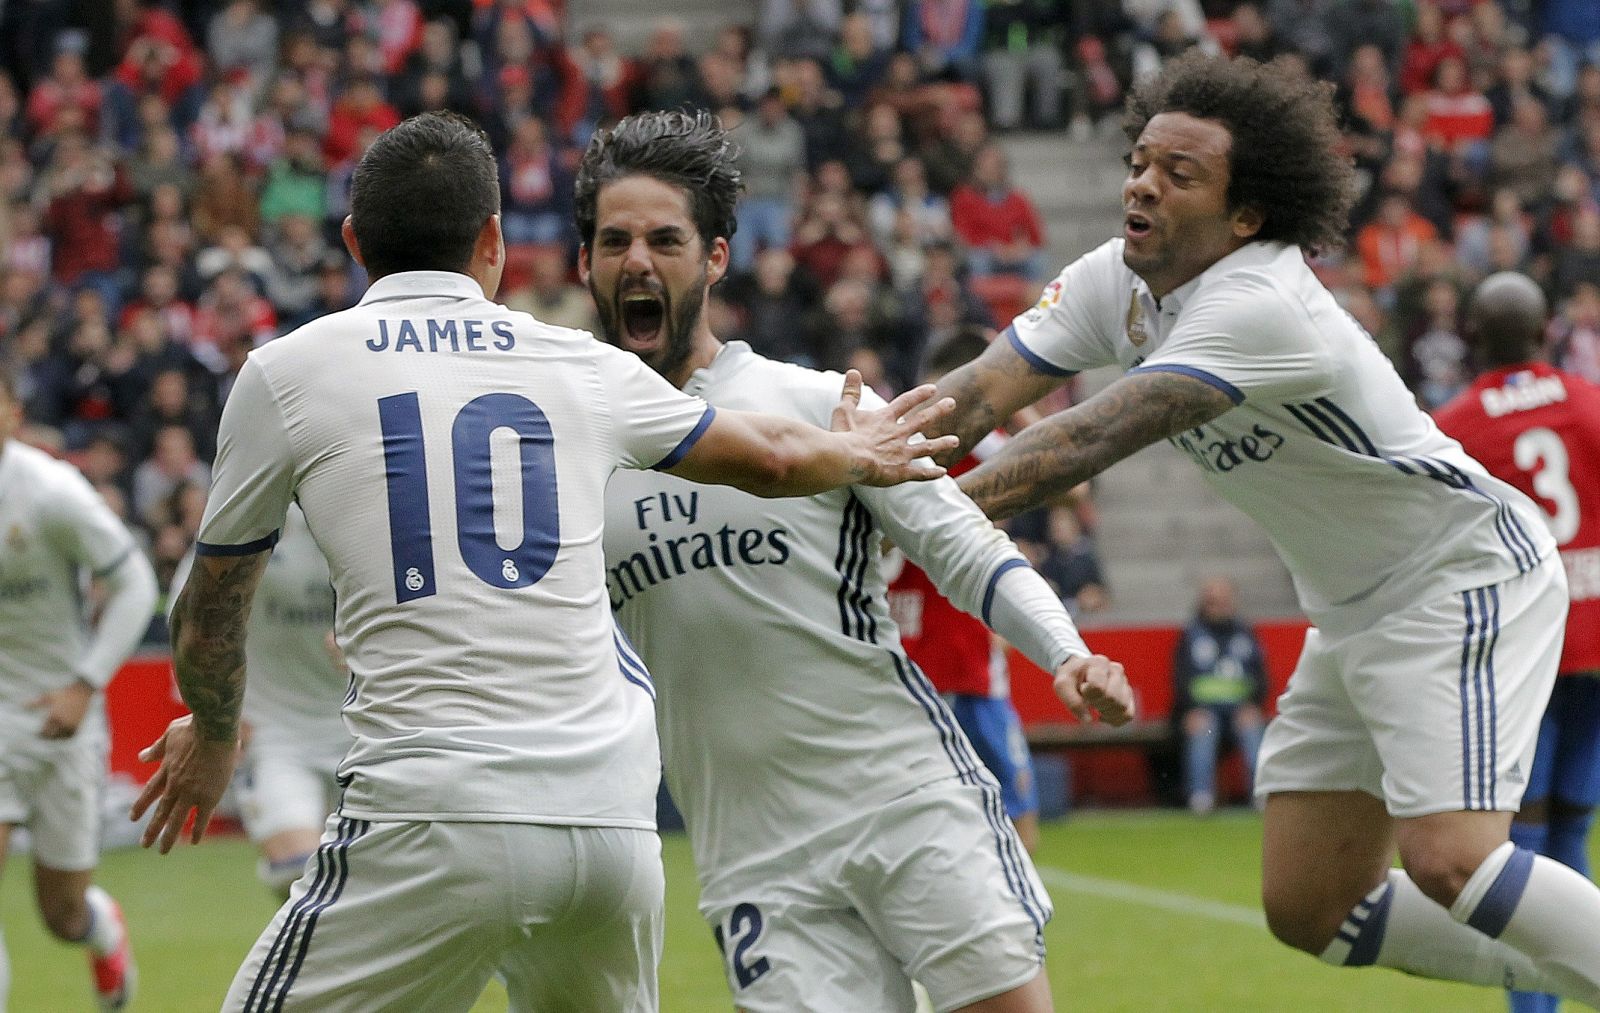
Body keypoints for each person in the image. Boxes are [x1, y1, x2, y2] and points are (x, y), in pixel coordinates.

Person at [127, 111, 958, 1013]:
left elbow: (210, 603)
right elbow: (770, 458)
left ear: (354, 242)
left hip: (432, 813)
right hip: (607, 826)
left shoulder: (287, 372)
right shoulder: (578, 363)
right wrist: (860, 453)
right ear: (494, 241)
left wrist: (213, 735)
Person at [923, 52, 1600, 1004]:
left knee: (1455, 859)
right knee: (1314, 905)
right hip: (1354, 608)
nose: (1144, 183)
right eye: (1142, 161)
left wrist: (904, 518)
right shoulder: (1110, 278)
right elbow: (979, 391)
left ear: (1246, 217)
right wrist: (850, 459)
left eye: (1180, 174)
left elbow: (1091, 435)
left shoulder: (1262, 302)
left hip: (1462, 578)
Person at [581, 109, 1133, 1013]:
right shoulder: (581, 454)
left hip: (904, 797)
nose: (637, 259)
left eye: (664, 238)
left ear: (716, 258)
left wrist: (1066, 651)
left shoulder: (815, 403)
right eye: (614, 240)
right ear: (585, 264)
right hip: (752, 856)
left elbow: (958, 539)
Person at [1433, 272, 1600, 1013]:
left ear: (1472, 338)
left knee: (1517, 846)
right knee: (1572, 823)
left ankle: (1535, 1008)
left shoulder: (1457, 426)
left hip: (1522, 650)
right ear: (1546, 333)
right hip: (1596, 641)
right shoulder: (1592, 402)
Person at [0, 364, 155, 1012]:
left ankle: (100, 929)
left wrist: (84, 685)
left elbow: (136, 585)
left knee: (61, 914)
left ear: (12, 413)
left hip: (59, 719)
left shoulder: (48, 491)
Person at [887, 328, 1047, 854]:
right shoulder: (900, 445)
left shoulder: (952, 446)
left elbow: (1068, 487)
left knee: (1007, 812)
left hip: (950, 662)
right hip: (928, 663)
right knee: (947, 823)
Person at [167, 504, 348, 899]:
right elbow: (189, 614)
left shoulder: (365, 515)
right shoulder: (252, 513)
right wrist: (215, 713)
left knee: (369, 884)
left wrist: (372, 637)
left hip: (365, 728)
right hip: (274, 732)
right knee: (299, 880)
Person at [1172, 575, 1268, 815]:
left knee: (1252, 729)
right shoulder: (1192, 635)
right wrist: (1190, 710)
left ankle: (1261, 796)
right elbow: (1181, 679)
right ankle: (1201, 797)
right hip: (1204, 710)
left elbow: (1261, 677)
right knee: (1203, 730)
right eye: (1213, 602)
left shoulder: (1246, 634)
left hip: (1240, 709)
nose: (1219, 607)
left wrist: (1252, 705)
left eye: (1224, 601)